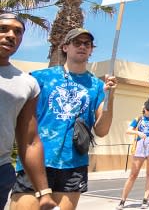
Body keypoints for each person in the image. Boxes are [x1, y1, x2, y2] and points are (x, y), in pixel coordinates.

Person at [11, 27, 117, 210]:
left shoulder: (98, 87)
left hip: (73, 164)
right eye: (77, 42)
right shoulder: (40, 78)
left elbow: (101, 130)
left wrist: (110, 97)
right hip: (37, 160)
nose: (82, 46)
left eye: (87, 44)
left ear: (92, 49)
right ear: (65, 47)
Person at [0, 13, 57, 210]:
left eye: (18, 32)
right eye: (3, 29)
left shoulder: (27, 84)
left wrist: (43, 192)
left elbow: (30, 140)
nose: (11, 35)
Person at [116, 105, 149, 209]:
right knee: (133, 174)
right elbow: (128, 130)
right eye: (148, 108)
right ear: (144, 108)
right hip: (140, 146)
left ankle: (145, 199)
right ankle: (122, 200)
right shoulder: (138, 119)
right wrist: (138, 132)